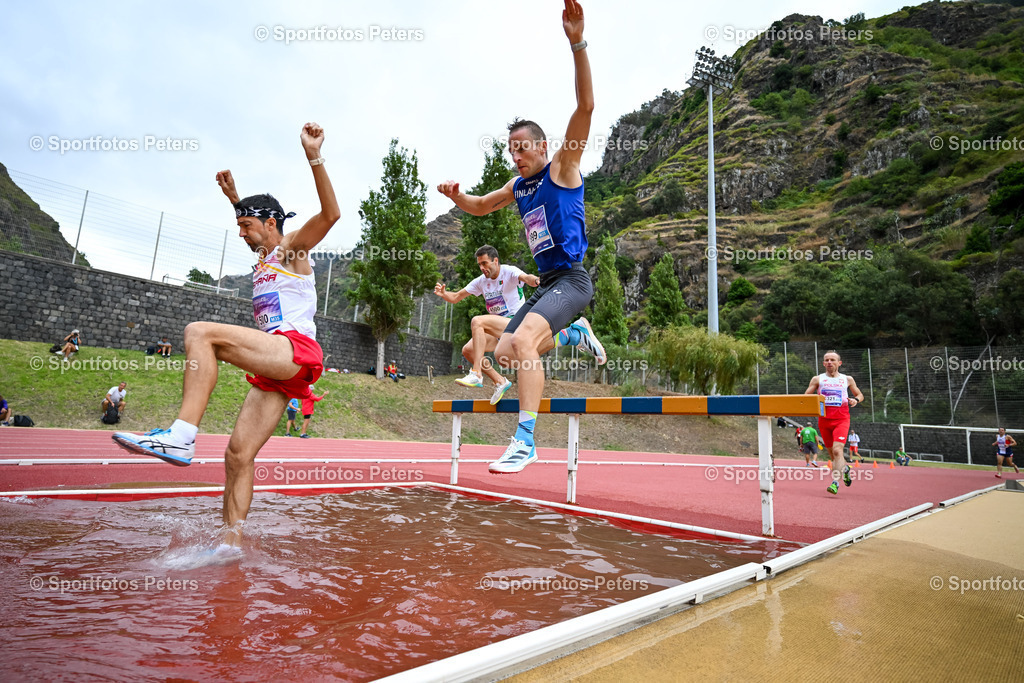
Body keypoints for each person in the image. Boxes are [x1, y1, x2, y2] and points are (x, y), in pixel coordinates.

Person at [113, 122, 341, 552]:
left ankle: (182, 433)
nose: (241, 234)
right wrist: (235, 200)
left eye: (246, 226)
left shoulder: (291, 248)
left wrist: (314, 155)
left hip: (295, 350)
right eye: (239, 227)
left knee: (200, 333)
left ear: (272, 223)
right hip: (277, 372)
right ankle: (229, 542)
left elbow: (331, 215)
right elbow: (256, 232)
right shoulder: (264, 255)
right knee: (237, 455)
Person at [436, 0, 605, 474]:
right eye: (511, 150)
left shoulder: (562, 168)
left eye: (523, 148)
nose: (517, 156)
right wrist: (457, 196)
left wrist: (577, 43)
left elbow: (586, 106)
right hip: (548, 286)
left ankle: (526, 440)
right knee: (507, 352)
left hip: (571, 280)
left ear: (543, 146)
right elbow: (479, 206)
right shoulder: (518, 186)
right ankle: (574, 333)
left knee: (524, 343)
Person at [433, 244, 540, 404]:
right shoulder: (481, 282)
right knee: (468, 351)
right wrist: (444, 294)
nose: (482, 268)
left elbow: (526, 278)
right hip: (498, 329)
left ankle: (476, 373)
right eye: (479, 265)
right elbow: (456, 297)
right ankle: (499, 381)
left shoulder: (509, 271)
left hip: (516, 323)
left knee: (478, 321)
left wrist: (537, 280)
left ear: (495, 261)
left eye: (485, 263)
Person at [805, 350, 866, 495]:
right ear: (823, 363)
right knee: (833, 456)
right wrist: (815, 399)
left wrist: (855, 400)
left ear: (839, 363)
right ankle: (845, 469)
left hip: (841, 419)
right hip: (824, 421)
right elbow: (806, 396)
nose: (829, 362)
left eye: (832, 360)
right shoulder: (817, 379)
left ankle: (835, 483)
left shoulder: (847, 379)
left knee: (838, 450)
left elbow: (860, 394)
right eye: (826, 360)